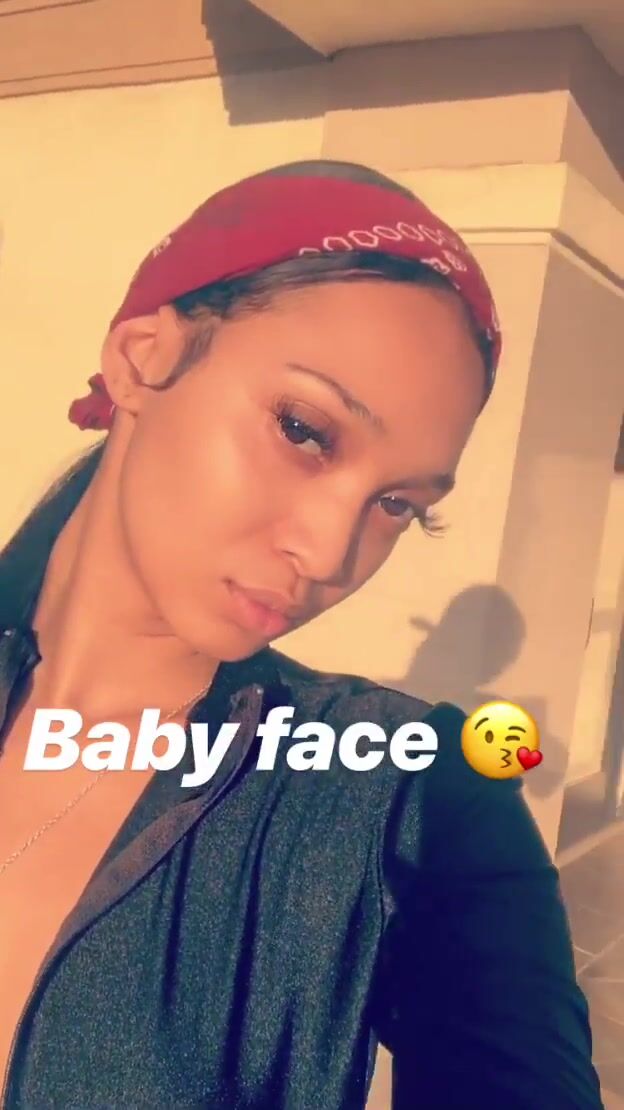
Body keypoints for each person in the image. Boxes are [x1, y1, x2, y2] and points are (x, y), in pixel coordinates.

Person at [0, 160, 603, 1109]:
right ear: (143, 358)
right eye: (305, 430)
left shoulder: (418, 795)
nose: (329, 552)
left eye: (398, 504)